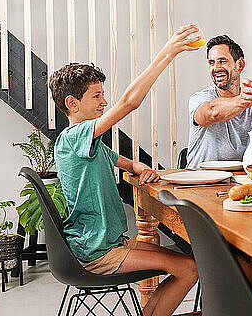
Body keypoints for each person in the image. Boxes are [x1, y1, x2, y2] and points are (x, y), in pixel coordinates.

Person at [49, 25, 201, 316]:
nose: (104, 102)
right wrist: (167, 53)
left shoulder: (89, 145)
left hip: (107, 243)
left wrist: (139, 167)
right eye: (96, 96)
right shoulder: (73, 138)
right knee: (189, 269)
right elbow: (130, 102)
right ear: (72, 103)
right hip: (97, 252)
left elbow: (127, 163)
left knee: (190, 267)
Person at [186, 35, 252, 169]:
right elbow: (212, 113)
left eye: (222, 61)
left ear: (240, 64)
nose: (216, 68)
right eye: (211, 63)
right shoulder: (200, 98)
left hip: (241, 181)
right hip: (200, 182)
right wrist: (242, 101)